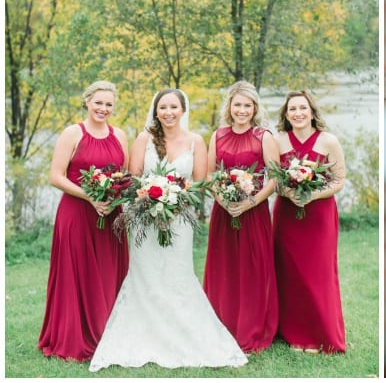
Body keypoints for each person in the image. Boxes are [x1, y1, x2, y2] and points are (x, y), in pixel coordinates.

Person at [89, 89, 247, 371]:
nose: (168, 112)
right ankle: (145, 334)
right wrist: (150, 198)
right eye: (163, 107)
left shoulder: (197, 141)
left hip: (179, 221)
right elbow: (133, 179)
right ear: (156, 110)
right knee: (146, 275)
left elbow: (200, 185)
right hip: (143, 219)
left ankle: (183, 335)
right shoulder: (144, 139)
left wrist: (175, 201)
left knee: (177, 274)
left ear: (183, 110)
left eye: (173, 107)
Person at [38, 81, 130, 362]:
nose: (103, 109)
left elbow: (122, 174)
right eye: (98, 103)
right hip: (77, 213)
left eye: (109, 104)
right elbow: (55, 176)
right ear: (87, 102)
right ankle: (75, 336)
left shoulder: (121, 135)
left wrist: (117, 199)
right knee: (78, 273)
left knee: (108, 271)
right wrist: (90, 196)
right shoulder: (72, 133)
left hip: (111, 214)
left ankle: (108, 335)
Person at [203, 81, 279, 352]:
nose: (242, 110)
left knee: (252, 267)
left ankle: (251, 326)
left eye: (248, 105)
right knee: (224, 266)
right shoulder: (218, 135)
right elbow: (209, 174)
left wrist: (250, 203)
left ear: (255, 108)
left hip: (253, 211)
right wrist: (222, 199)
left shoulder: (264, 136)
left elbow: (275, 177)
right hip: (223, 212)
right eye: (238, 104)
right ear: (230, 106)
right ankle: (220, 323)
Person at [273, 90, 347, 353]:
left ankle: (319, 333)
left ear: (312, 111)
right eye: (292, 109)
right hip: (287, 216)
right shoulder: (278, 140)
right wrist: (287, 191)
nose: (298, 113)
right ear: (286, 114)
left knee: (318, 273)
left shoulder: (329, 142)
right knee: (290, 272)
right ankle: (292, 332)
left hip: (319, 217)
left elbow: (338, 180)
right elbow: (273, 181)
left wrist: (312, 194)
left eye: (303, 108)